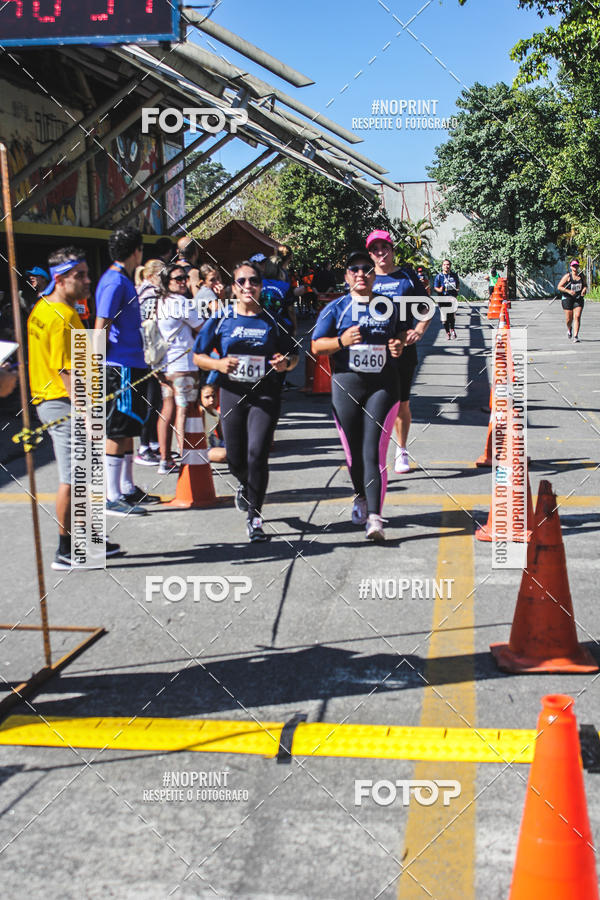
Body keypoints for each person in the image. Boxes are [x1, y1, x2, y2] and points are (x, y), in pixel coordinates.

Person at [27, 247, 120, 568]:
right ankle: (65, 549)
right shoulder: (63, 316)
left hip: (51, 400)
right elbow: (69, 371)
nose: (87, 280)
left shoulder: (42, 308)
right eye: (79, 275)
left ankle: (91, 540)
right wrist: (87, 413)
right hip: (64, 402)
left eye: (86, 273)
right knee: (74, 477)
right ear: (60, 279)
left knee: (83, 475)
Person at [193, 260, 298, 542]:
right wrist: (218, 366)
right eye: (242, 281)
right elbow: (198, 355)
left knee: (257, 454)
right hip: (232, 393)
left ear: (261, 286)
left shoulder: (273, 319)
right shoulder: (223, 318)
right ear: (233, 287)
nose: (248, 286)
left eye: (253, 281)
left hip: (266, 394)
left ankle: (255, 517)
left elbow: (293, 357)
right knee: (236, 457)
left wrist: (284, 364)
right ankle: (244, 484)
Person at [313, 249, 405, 542]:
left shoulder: (387, 305)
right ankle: (361, 497)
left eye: (366, 269)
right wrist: (340, 341)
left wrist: (397, 345)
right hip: (346, 386)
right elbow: (316, 346)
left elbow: (400, 336)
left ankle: (375, 518)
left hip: (383, 386)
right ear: (346, 277)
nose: (361, 274)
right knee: (354, 455)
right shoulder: (336, 308)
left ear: (374, 274)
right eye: (354, 269)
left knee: (372, 451)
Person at [95, 226, 158, 516]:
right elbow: (101, 325)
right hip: (119, 365)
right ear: (137, 252)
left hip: (132, 363)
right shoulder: (114, 282)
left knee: (130, 426)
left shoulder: (121, 280)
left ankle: (128, 488)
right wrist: (100, 363)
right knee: (117, 428)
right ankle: (111, 495)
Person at [367, 229, 430, 475]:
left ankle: (401, 449)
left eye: (385, 248)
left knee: (401, 402)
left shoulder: (407, 276)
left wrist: (420, 330)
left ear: (392, 250)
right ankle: (374, 448)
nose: (381, 253)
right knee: (375, 402)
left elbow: (426, 306)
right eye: (375, 249)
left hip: (403, 348)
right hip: (374, 349)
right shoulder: (367, 277)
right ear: (370, 254)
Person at [156, 263, 204, 473]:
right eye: (178, 279)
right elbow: (202, 327)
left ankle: (165, 459)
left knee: (168, 410)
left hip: (164, 364)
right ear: (167, 282)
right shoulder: (181, 303)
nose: (183, 282)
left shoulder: (161, 302)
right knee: (184, 411)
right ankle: (186, 457)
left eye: (185, 278)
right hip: (183, 365)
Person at [135, 259, 165, 466]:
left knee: (156, 401)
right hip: (149, 355)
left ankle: (153, 443)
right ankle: (144, 446)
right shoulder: (149, 295)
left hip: (149, 353)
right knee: (151, 401)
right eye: (163, 275)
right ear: (151, 275)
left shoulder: (143, 292)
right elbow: (148, 327)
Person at [558, 259, 587, 342]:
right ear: (570, 267)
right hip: (567, 298)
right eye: (573, 265)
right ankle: (569, 328)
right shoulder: (567, 276)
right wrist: (568, 291)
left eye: (576, 265)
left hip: (578, 298)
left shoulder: (581, 276)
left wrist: (584, 289)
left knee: (577, 317)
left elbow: (585, 285)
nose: (575, 267)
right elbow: (559, 287)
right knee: (568, 319)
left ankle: (575, 336)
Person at [200, 383, 227, 463]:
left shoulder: (216, 413)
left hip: (215, 444)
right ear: (200, 399)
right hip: (204, 448)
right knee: (226, 455)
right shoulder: (201, 411)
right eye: (207, 397)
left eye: (214, 396)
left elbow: (221, 435)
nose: (211, 399)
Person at [433, 259, 459, 340]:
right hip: (442, 299)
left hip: (452, 299)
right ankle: (447, 332)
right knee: (444, 318)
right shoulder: (439, 276)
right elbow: (435, 287)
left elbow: (458, 284)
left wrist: (457, 289)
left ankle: (452, 329)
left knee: (452, 316)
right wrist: (439, 290)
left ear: (450, 266)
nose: (446, 266)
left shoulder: (454, 275)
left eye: (448, 264)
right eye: (444, 264)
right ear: (442, 266)